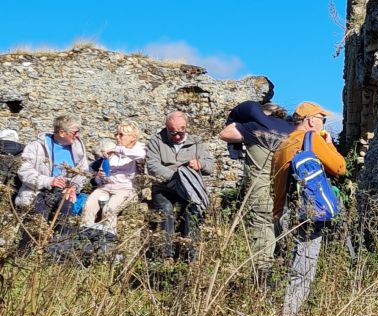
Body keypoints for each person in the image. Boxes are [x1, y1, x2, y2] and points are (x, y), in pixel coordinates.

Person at [271, 102, 346, 316]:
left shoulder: (282, 144)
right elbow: (340, 167)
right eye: (322, 120)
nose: (323, 124)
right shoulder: (311, 140)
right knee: (303, 269)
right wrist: (329, 145)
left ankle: (278, 310)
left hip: (283, 212)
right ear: (311, 121)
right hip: (307, 214)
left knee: (286, 265)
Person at [219, 90, 293, 279]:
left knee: (262, 222)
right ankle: (284, 264)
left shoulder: (253, 127)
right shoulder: (292, 131)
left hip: (260, 187)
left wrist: (238, 121)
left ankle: (263, 272)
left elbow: (225, 134)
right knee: (283, 222)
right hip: (286, 188)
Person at [146, 110, 215, 260]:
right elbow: (152, 166)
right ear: (166, 127)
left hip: (188, 189)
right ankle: (166, 256)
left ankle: (191, 255)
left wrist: (200, 164)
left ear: (186, 127)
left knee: (192, 209)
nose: (177, 136)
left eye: (181, 132)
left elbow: (210, 166)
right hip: (164, 187)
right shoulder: (156, 141)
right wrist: (176, 178)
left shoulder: (196, 142)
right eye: (172, 132)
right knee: (166, 210)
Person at [16, 117, 89, 231]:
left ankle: (59, 247)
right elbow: (23, 169)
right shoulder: (36, 146)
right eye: (75, 132)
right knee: (36, 224)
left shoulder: (78, 148)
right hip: (38, 191)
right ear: (62, 133)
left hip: (64, 193)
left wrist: (74, 187)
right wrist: (48, 181)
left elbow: (83, 171)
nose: (78, 135)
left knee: (66, 221)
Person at [81, 121, 146, 233]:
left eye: (121, 135)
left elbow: (141, 155)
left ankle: (107, 240)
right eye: (116, 134)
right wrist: (99, 176)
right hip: (106, 187)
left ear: (133, 138)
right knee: (88, 206)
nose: (117, 137)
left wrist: (117, 149)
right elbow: (100, 180)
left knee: (109, 210)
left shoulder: (138, 149)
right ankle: (85, 236)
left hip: (126, 189)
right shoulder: (112, 153)